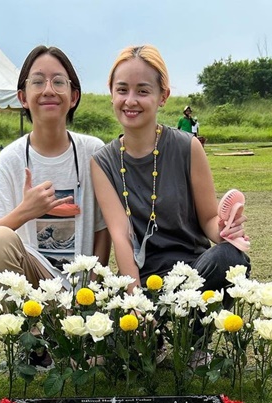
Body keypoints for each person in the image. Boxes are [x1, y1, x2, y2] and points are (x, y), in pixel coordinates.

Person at [91, 45, 248, 292]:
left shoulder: (189, 147)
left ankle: (185, 325)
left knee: (231, 259)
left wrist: (225, 230)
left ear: (162, 96)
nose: (130, 100)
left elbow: (208, 218)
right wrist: (135, 302)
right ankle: (171, 327)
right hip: (146, 283)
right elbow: (121, 237)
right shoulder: (103, 161)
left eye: (143, 91)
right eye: (122, 89)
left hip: (196, 274)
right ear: (111, 93)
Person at [0, 46, 109, 288]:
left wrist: (92, 295)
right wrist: (26, 210)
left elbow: (103, 229)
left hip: (81, 293)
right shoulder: (11, 159)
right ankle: (22, 324)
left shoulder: (93, 152)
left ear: (74, 96)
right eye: (37, 82)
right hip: (33, 289)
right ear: (23, 97)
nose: (48, 90)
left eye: (59, 82)